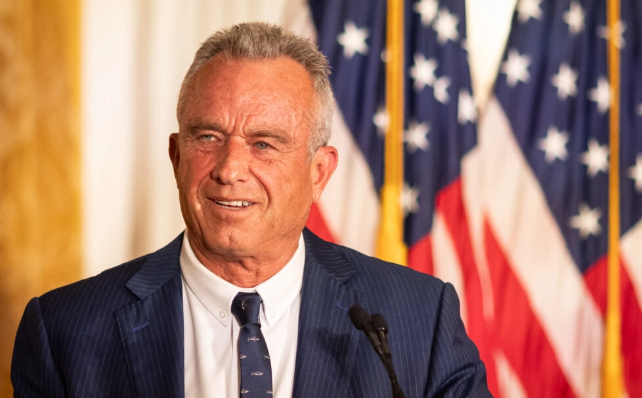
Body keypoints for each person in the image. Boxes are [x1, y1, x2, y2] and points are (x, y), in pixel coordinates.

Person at [12, 22, 492, 398]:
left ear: (319, 173)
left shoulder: (418, 320)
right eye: (208, 137)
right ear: (177, 157)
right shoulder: (65, 332)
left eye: (264, 144)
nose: (230, 168)